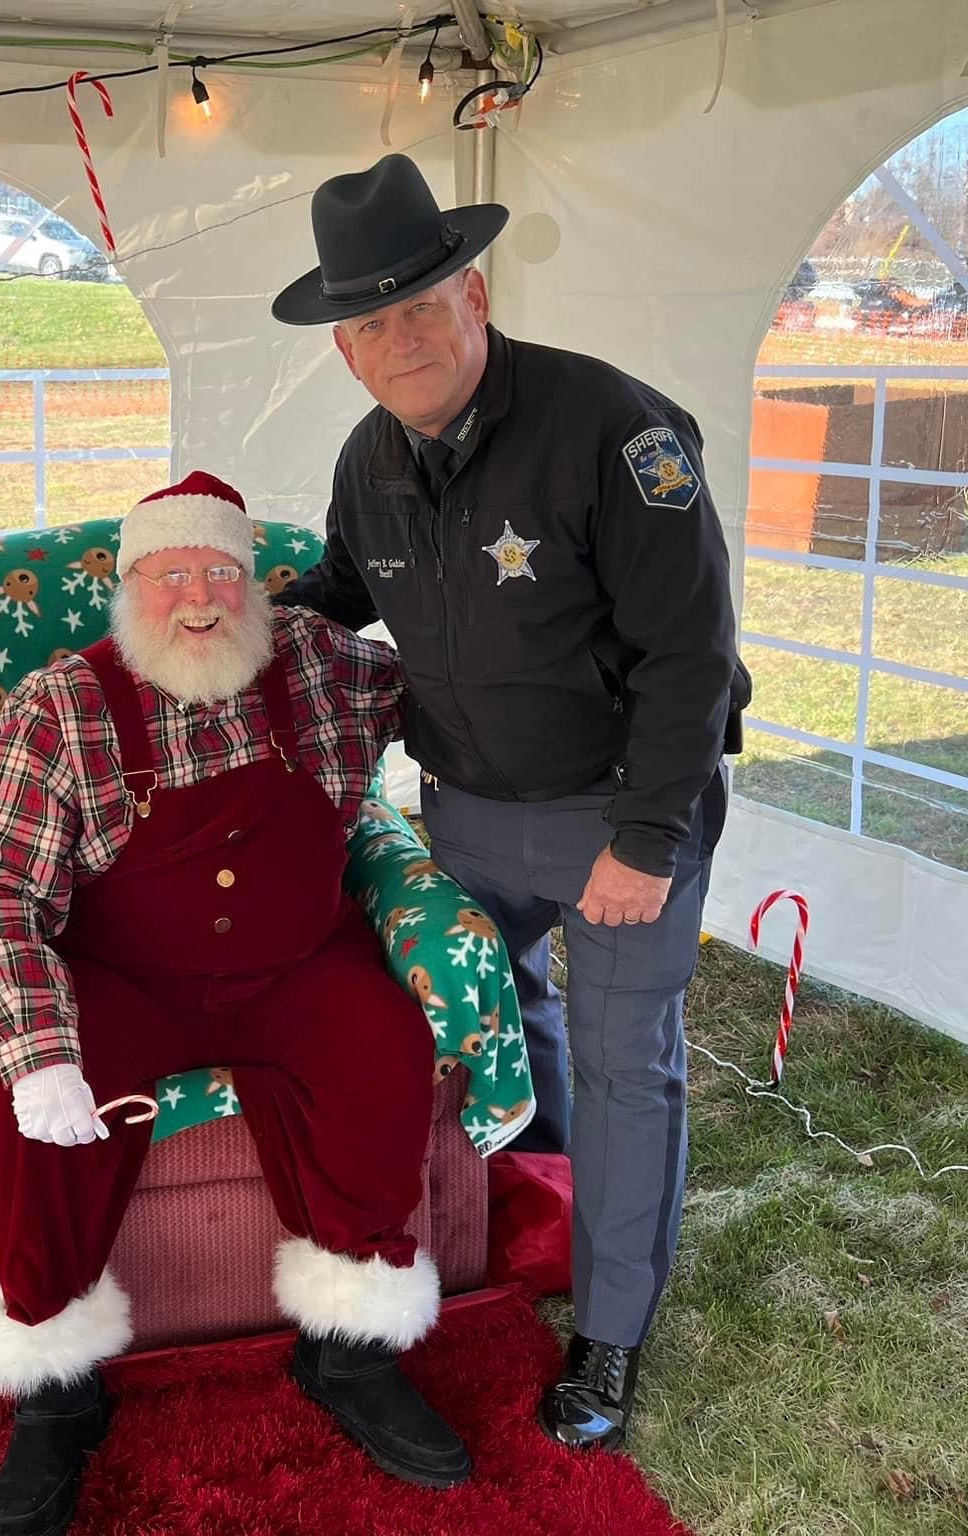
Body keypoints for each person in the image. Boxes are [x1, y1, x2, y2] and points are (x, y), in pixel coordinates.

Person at [271, 153, 751, 1453]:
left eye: (419, 303)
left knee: (626, 1066)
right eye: (367, 323)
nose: (398, 336)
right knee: (482, 1003)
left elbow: (692, 654)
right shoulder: (371, 457)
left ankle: (610, 1331)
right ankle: (532, 1192)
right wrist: (250, 623)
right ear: (346, 354)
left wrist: (649, 839)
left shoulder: (614, 429)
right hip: (467, 810)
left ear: (473, 293)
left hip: (615, 816)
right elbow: (347, 587)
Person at [0, 472, 471, 1536]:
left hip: (291, 969)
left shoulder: (322, 668)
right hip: (122, 981)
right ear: (127, 587)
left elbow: (458, 680)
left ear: (256, 590)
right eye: (170, 573)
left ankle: (351, 1352)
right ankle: (56, 1389)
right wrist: (38, 1047)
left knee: (378, 1042)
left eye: (221, 572)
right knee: (35, 1100)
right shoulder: (64, 703)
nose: (198, 597)